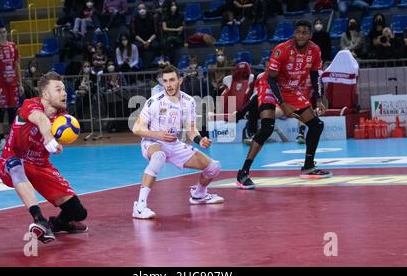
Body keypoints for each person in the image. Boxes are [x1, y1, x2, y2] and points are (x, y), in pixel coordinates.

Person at [236, 20, 333, 190]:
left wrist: (319, 99)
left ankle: (308, 167)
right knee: (267, 128)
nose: (301, 35)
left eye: (304, 32)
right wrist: (283, 104)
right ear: (294, 34)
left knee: (316, 125)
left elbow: (314, 76)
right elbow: (272, 78)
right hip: (270, 85)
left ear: (310, 35)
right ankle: (243, 173)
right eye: (298, 32)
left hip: (291, 89)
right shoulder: (282, 49)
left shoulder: (315, 50)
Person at [0, 72, 88, 243]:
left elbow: (60, 131)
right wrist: (48, 137)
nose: (64, 93)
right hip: (13, 161)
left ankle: (58, 224)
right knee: (14, 164)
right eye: (58, 89)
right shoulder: (30, 105)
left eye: (64, 89)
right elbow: (41, 120)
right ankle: (40, 221)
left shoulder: (62, 116)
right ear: (45, 94)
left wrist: (57, 143)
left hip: (41, 166)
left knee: (78, 212)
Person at [131, 64, 224, 219]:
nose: (168, 84)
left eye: (172, 80)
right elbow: (136, 128)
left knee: (214, 167)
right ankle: (139, 206)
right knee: (159, 156)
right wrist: (158, 135)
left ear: (179, 81)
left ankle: (199, 195)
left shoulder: (189, 102)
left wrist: (200, 139)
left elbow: (191, 129)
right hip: (153, 142)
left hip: (174, 145)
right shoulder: (155, 101)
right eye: (165, 81)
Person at [0, 25, 23, 148]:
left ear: (6, 33)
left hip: (13, 83)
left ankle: (13, 137)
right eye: (0, 32)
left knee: (13, 110)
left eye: (4, 32)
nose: (3, 34)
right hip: (1, 84)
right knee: (0, 110)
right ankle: (2, 138)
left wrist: (20, 84)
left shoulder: (13, 46)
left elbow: (17, 65)